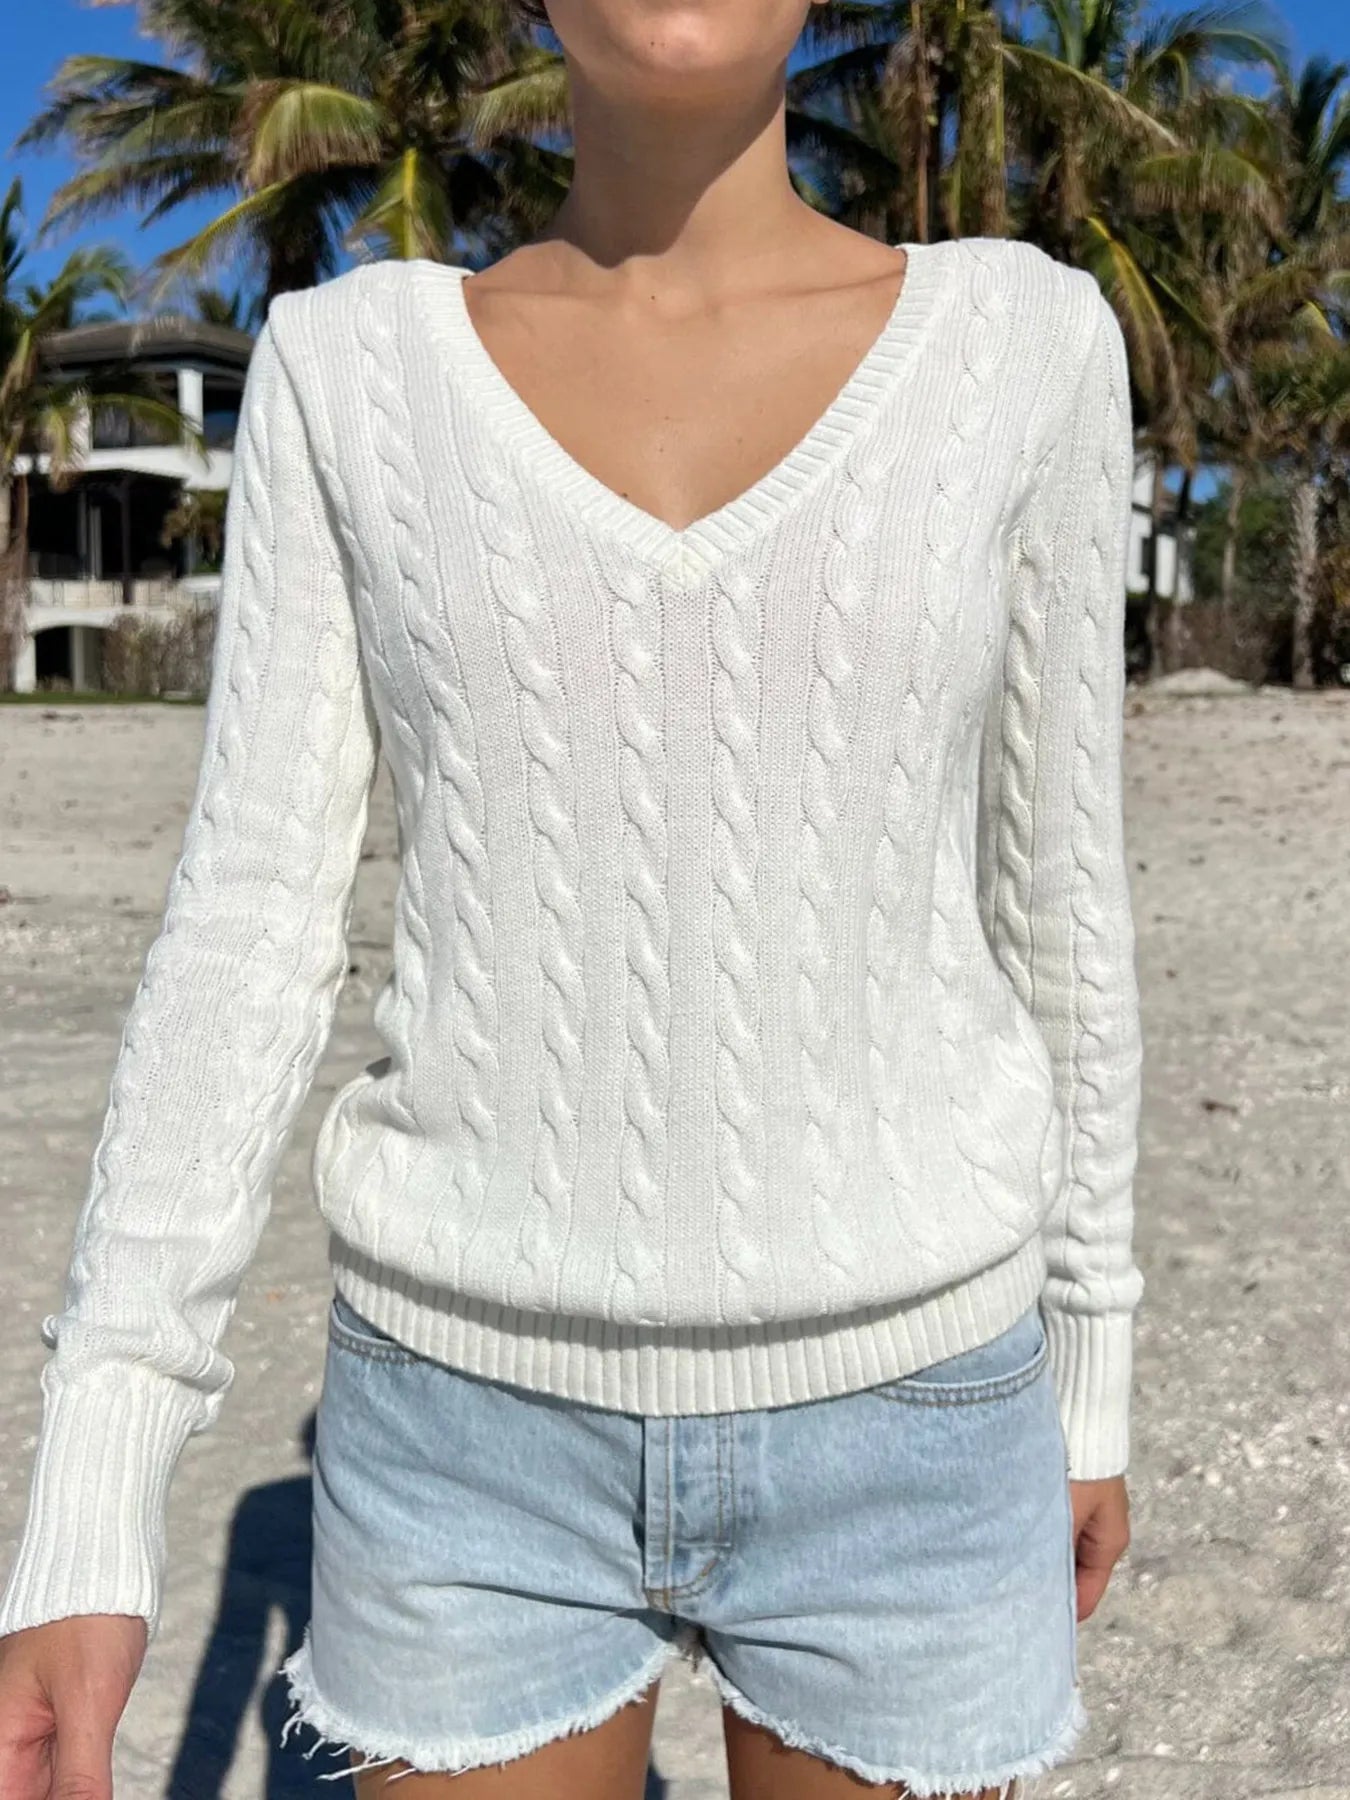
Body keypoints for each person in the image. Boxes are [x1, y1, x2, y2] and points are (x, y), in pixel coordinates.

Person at [0, 0, 1146, 1795]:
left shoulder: (1024, 347)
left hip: (921, 1426)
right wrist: (96, 1489)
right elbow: (249, 924)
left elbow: (1059, 897)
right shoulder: (346, 371)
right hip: (461, 1442)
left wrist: (1087, 1367)